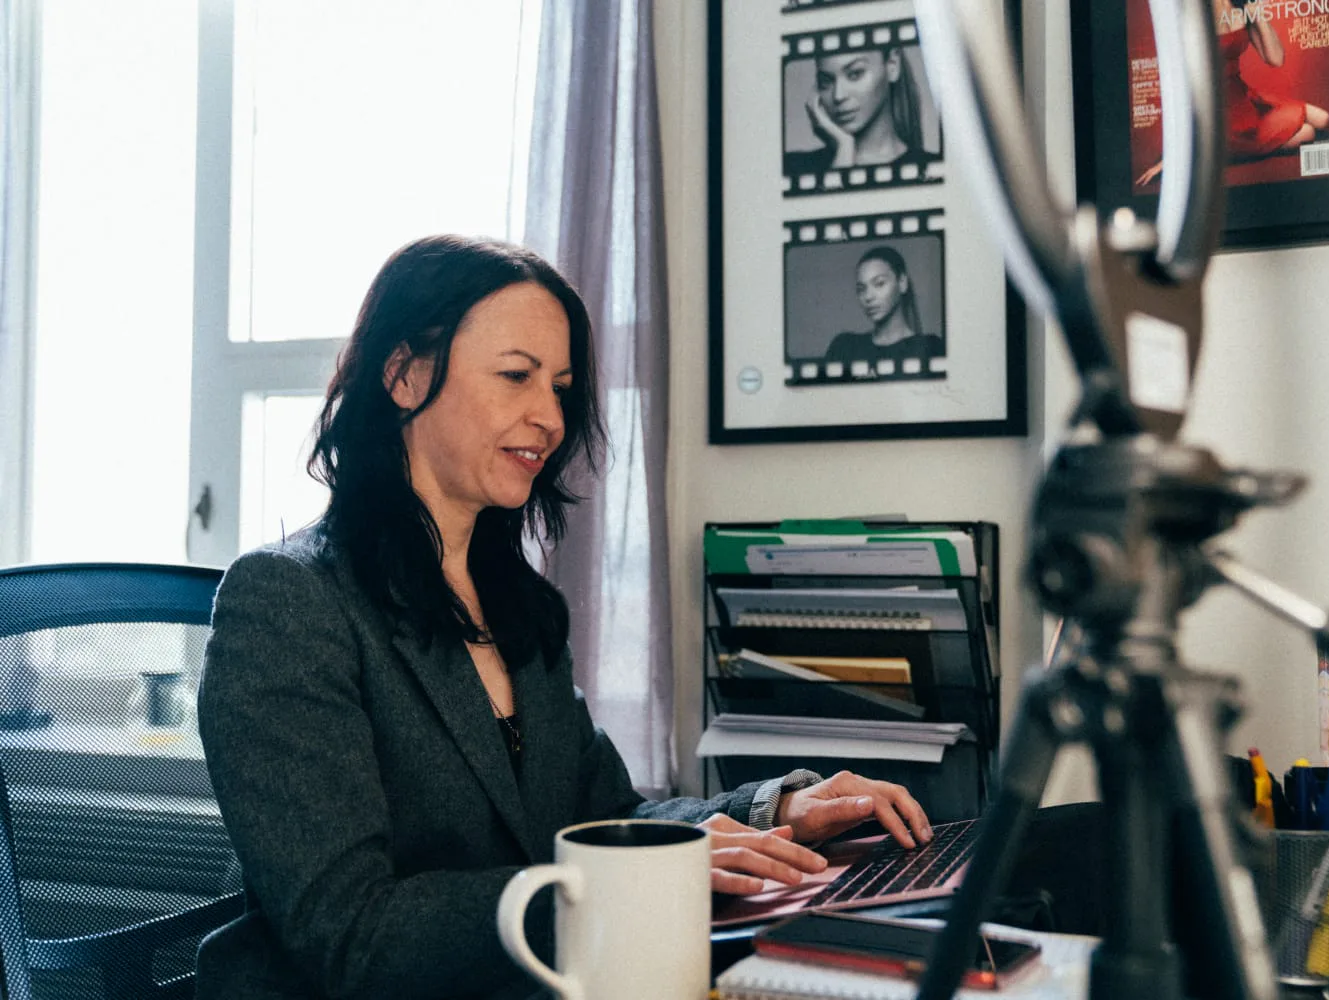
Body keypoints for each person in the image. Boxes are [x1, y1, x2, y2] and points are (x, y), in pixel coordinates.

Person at [193, 235, 932, 1000]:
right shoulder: (288, 601)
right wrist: (631, 878)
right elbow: (351, 934)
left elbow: (608, 818)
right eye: (516, 376)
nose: (550, 417)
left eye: (561, 387)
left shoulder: (522, 608)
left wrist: (775, 811)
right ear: (404, 375)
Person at [1135, 0, 1329, 187]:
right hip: (1219, 118)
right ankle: (1225, 151)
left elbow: (1275, 58)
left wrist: (1257, 12)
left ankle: (1236, 150)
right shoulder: (1195, 12)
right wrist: (1174, 156)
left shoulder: (1241, 5)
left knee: (1323, 119)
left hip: (1245, 100)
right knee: (1308, 133)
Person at [784, 44, 933, 176]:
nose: (838, 95)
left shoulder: (932, 169)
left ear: (892, 65)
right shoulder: (792, 166)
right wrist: (844, 150)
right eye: (826, 82)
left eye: (855, 74)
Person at [823, 246, 944, 368]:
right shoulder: (844, 347)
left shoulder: (932, 347)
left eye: (879, 283)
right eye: (861, 289)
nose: (868, 297)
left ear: (902, 283)